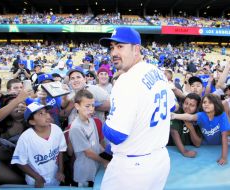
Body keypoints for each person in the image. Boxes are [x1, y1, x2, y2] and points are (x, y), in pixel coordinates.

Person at [99, 27, 177, 190]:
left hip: (132, 168)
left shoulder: (126, 81)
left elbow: (116, 134)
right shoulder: (156, 71)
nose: (113, 52)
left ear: (136, 49)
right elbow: (172, 105)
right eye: (112, 47)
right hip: (160, 160)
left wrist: (105, 119)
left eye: (120, 46)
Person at [11, 102, 67, 187]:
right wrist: (37, 178)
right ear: (32, 122)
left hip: (54, 177)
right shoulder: (25, 137)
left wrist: (60, 171)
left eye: (46, 112)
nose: (47, 116)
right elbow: (20, 162)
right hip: (35, 181)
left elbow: (60, 151)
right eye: (41, 114)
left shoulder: (56, 129)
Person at [171, 94, 230, 165]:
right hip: (204, 147)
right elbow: (190, 117)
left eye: (210, 102)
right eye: (204, 102)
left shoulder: (222, 115)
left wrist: (223, 157)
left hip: (218, 146)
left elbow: (224, 136)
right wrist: (173, 115)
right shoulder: (201, 115)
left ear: (216, 104)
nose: (206, 104)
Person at [69, 89, 109, 187]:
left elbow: (97, 143)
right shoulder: (76, 127)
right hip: (84, 172)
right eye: (87, 106)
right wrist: (105, 161)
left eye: (93, 105)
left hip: (95, 167)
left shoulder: (91, 120)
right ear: (77, 106)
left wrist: (107, 156)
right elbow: (88, 153)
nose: (91, 109)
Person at [169, 93, 202, 157]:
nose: (187, 107)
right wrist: (184, 151)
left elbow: (197, 144)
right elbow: (173, 132)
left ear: (197, 108)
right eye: (186, 103)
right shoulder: (176, 113)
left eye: (192, 105)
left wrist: (190, 127)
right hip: (172, 149)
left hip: (190, 147)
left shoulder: (198, 117)